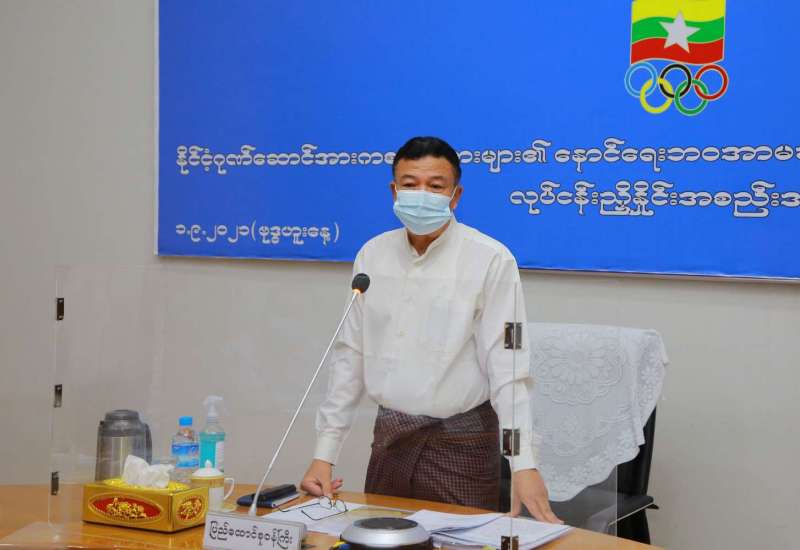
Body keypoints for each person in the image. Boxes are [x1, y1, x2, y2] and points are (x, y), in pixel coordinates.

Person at [300, 136, 560, 523]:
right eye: (410, 184)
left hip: (461, 445)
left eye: (436, 186)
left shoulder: (491, 260)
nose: (422, 194)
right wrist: (324, 453)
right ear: (394, 191)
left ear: (455, 196)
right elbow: (349, 356)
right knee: (381, 542)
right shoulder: (372, 255)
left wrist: (523, 464)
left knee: (461, 544)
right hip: (390, 442)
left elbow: (509, 370)